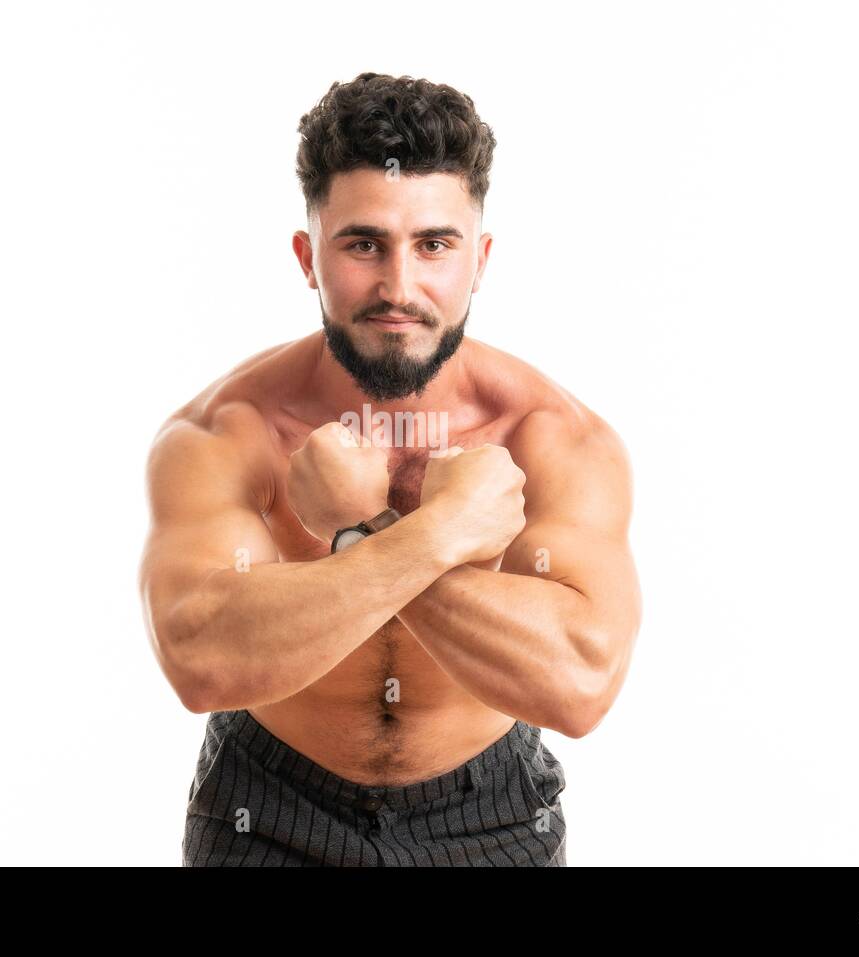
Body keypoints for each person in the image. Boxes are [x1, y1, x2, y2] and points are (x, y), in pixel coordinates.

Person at [138, 72, 642, 866]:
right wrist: (439, 533)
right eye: (363, 244)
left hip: (492, 813)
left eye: (434, 244)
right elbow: (201, 662)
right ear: (309, 257)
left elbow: (579, 686)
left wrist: (358, 528)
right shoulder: (225, 432)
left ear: (479, 260)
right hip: (266, 806)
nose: (399, 287)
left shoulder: (554, 437)